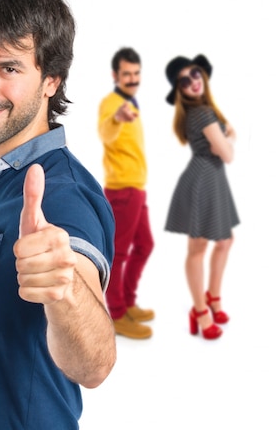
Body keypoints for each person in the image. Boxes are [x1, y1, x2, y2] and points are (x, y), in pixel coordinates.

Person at [0, 0, 117, 429]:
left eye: (9, 68)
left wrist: (66, 289)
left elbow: (94, 364)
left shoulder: (61, 194)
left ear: (51, 79)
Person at [164, 54, 239, 340]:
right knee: (198, 249)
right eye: (184, 80)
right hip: (203, 180)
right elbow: (228, 154)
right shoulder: (203, 114)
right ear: (180, 89)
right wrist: (229, 135)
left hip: (212, 178)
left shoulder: (205, 111)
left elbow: (222, 149)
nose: (193, 81)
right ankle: (200, 310)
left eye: (195, 74)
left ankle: (213, 298)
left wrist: (225, 133)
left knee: (225, 240)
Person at [97, 47, 155, 340]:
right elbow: (106, 132)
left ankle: (128, 302)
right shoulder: (112, 104)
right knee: (119, 251)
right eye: (126, 74)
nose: (132, 79)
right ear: (115, 76)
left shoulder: (132, 101)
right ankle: (117, 313)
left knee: (145, 245)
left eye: (136, 73)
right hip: (123, 188)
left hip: (137, 188)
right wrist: (117, 119)